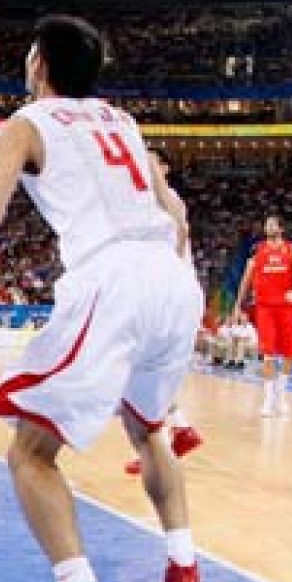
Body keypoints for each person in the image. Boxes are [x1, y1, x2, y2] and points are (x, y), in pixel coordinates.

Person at [0, 16, 205, 582]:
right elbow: (176, 215)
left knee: (30, 451)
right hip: (171, 278)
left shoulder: (25, 123)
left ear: (39, 63)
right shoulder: (123, 122)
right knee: (149, 425)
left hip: (112, 279)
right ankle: (183, 570)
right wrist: (167, 283)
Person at [123, 154, 203, 476]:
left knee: (135, 372)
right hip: (166, 291)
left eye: (154, 160)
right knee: (142, 372)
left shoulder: (168, 199)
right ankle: (179, 430)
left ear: (166, 168)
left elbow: (180, 232)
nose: (147, 163)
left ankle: (158, 444)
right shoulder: (145, 201)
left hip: (167, 292)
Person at [234, 215, 292, 417]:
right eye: (266, 224)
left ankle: (281, 394)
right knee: (268, 354)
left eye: (272, 224)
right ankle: (268, 398)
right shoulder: (258, 251)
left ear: (281, 229)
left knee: (290, 353)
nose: (268, 227)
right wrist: (237, 306)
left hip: (286, 307)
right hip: (264, 308)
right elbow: (245, 281)